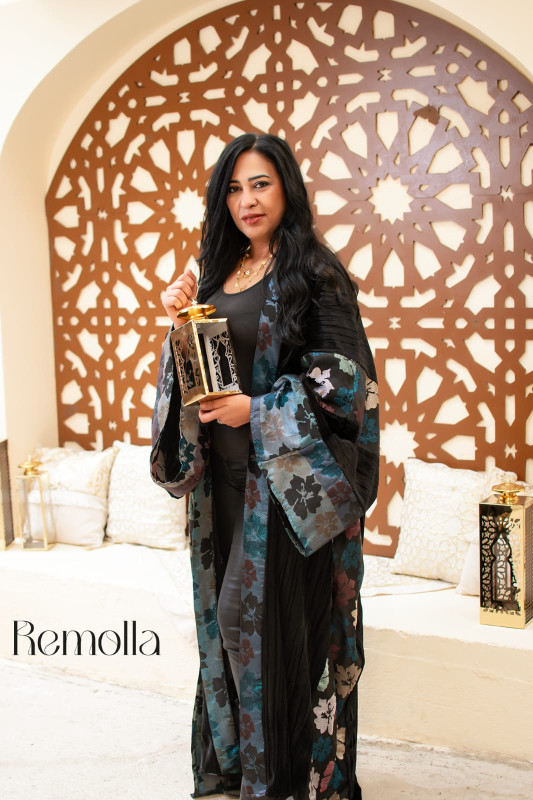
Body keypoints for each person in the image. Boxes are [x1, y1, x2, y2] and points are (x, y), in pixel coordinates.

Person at [151, 133, 379, 800]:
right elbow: (203, 376)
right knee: (230, 631)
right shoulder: (217, 273)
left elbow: (346, 388)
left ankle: (282, 779)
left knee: (262, 631)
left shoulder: (315, 275)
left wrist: (257, 410)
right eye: (233, 188)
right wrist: (181, 321)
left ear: (286, 189)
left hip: (284, 493)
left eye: (260, 184)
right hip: (222, 491)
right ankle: (242, 766)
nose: (246, 200)